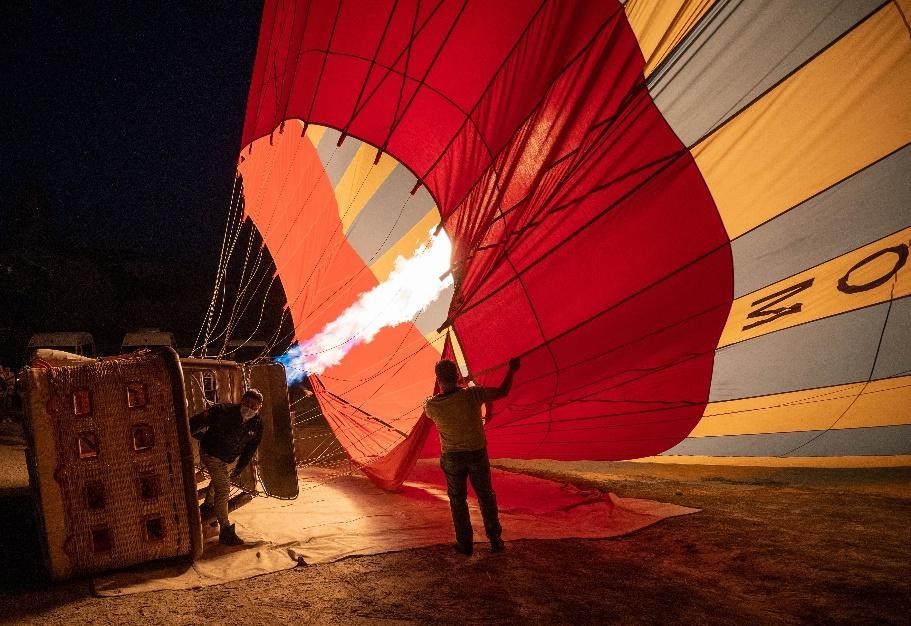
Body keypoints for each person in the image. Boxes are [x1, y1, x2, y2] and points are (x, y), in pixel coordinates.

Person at [423, 357, 520, 556]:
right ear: (457, 375)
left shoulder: (432, 406)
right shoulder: (473, 395)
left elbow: (433, 401)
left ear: (438, 379)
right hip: (477, 453)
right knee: (486, 496)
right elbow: (502, 391)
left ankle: (465, 544)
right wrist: (512, 370)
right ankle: (495, 540)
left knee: (457, 500)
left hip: (452, 458)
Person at [190, 388, 264, 546]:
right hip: (211, 454)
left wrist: (240, 467)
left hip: (229, 458)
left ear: (259, 408)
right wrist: (200, 437)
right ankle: (225, 531)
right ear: (241, 400)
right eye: (247, 403)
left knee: (219, 482)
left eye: (254, 406)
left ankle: (208, 507)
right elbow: (194, 423)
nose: (249, 408)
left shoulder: (257, 423)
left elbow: (250, 448)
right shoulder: (222, 411)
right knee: (224, 488)